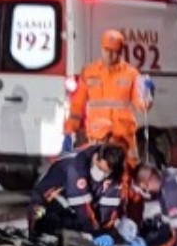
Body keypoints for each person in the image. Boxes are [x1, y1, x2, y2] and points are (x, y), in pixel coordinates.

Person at [64, 30, 153, 164]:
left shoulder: (132, 74)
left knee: (127, 174)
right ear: (101, 48)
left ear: (121, 51)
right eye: (107, 49)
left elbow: (140, 103)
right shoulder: (89, 72)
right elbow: (77, 105)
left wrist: (147, 100)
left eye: (114, 50)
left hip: (123, 136)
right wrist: (70, 128)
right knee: (98, 175)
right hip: (98, 135)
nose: (110, 54)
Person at [29, 143, 125, 237]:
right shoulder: (76, 166)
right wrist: (95, 233)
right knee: (48, 219)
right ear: (96, 158)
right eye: (100, 169)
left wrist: (107, 230)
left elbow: (110, 203)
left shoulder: (114, 169)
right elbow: (82, 207)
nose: (102, 174)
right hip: (51, 200)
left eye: (106, 172)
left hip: (75, 204)